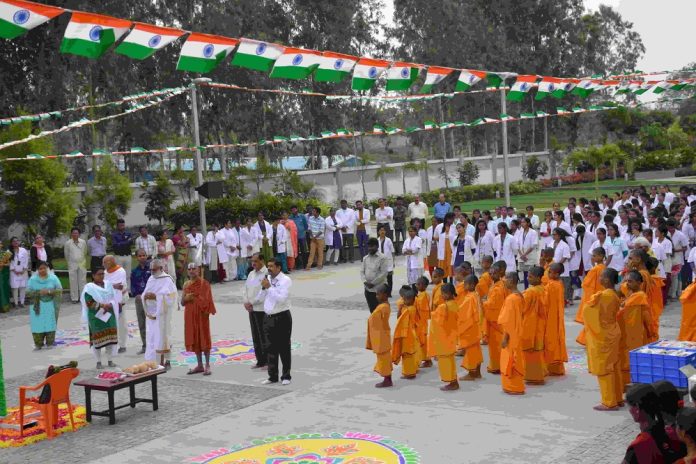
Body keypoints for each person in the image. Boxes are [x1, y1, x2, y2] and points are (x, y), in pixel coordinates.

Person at [584, 267, 623, 410]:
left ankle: (609, 402)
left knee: (604, 367)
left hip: (604, 334)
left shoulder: (604, 295)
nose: (599, 279)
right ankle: (618, 398)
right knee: (613, 366)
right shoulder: (614, 294)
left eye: (601, 277)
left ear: (606, 279)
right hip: (613, 331)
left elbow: (588, 310)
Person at [623, 384, 680, 463]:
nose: (628, 410)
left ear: (637, 408)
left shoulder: (638, 445)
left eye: (628, 406)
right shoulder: (674, 433)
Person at [258, 258, 293, 385]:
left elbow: (282, 299)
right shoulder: (267, 279)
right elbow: (260, 298)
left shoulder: (285, 280)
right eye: (268, 266)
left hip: (282, 317)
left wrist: (269, 288)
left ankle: (286, 376)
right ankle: (272, 376)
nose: (269, 268)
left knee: (284, 347)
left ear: (278, 268)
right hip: (268, 317)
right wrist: (263, 288)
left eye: (272, 266)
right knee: (270, 348)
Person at [619, 271, 656, 386]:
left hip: (638, 334)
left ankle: (636, 383)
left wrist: (652, 332)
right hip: (627, 332)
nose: (627, 284)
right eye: (627, 281)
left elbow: (647, 318)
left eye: (630, 281)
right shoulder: (631, 294)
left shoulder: (640, 297)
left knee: (634, 359)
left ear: (639, 283)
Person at [142, 259, 178, 370]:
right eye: (151, 270)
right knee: (152, 337)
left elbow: (172, 297)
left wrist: (156, 297)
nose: (152, 272)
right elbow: (145, 293)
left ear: (161, 269)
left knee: (165, 337)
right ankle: (153, 361)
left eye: (154, 269)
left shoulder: (167, 280)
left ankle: (167, 361)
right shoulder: (151, 279)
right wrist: (145, 296)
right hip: (152, 315)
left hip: (164, 316)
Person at [182, 263, 217, 376]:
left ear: (198, 270)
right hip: (190, 315)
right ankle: (199, 365)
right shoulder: (186, 284)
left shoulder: (204, 284)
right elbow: (182, 302)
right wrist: (186, 298)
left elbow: (208, 300)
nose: (192, 271)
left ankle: (207, 365)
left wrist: (198, 298)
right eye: (189, 269)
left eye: (194, 269)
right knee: (195, 338)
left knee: (204, 337)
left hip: (202, 315)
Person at [81, 267, 119, 369]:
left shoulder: (108, 285)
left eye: (103, 274)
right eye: (99, 274)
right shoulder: (89, 287)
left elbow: (113, 298)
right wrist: (102, 306)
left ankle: (110, 360)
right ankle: (98, 362)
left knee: (110, 339)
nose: (101, 276)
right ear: (93, 275)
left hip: (109, 315)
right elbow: (89, 302)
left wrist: (110, 305)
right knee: (97, 340)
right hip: (96, 316)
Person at [429, 282, 460, 391]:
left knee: (445, 361)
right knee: (450, 360)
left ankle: (452, 382)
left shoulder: (443, 306)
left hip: (444, 337)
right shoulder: (455, 304)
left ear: (448, 294)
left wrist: (433, 313)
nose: (442, 295)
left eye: (443, 293)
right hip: (452, 335)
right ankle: (454, 380)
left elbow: (438, 321)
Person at [499, 272, 526, 395]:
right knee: (515, 357)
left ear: (512, 281)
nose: (504, 281)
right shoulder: (519, 296)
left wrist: (505, 338)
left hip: (511, 334)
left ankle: (513, 387)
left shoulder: (511, 299)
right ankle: (515, 386)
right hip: (518, 332)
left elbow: (508, 321)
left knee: (511, 359)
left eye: (506, 279)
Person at [26, 261, 61, 350]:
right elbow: (27, 292)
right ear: (37, 270)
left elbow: (60, 290)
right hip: (37, 306)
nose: (42, 270)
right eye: (40, 269)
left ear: (47, 268)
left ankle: (50, 342)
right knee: (38, 324)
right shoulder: (33, 279)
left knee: (50, 322)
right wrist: (38, 292)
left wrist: (49, 292)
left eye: (44, 268)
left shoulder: (53, 278)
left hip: (50, 305)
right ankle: (38, 344)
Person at [575, 247, 607, 346]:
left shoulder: (596, 269)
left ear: (601, 256)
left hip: (593, 297)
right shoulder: (604, 268)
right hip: (601, 296)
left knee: (591, 321)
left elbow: (585, 284)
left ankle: (588, 340)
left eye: (594, 256)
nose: (592, 258)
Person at [522, 266, 547, 385]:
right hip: (540, 324)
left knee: (530, 350)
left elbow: (523, 307)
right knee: (538, 348)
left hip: (530, 324)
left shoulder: (531, 292)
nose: (528, 278)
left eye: (530, 276)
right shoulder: (542, 289)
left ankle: (535, 377)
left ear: (538, 278)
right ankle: (541, 371)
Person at [243, 253, 268, 369]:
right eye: (252, 261)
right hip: (251, 309)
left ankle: (268, 361)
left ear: (262, 261)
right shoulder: (251, 274)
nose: (253, 263)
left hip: (262, 309)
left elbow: (264, 292)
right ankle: (260, 360)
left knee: (264, 335)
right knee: (256, 335)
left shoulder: (266, 273)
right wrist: (246, 301)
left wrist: (252, 303)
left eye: (256, 261)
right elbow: (246, 289)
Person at [484, 261, 509, 374]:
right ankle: (496, 365)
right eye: (491, 273)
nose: (491, 276)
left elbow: (494, 304)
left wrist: (482, 303)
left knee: (496, 345)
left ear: (500, 272)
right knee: (494, 345)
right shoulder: (500, 284)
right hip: (497, 318)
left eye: (494, 273)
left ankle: (497, 366)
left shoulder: (499, 287)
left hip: (496, 318)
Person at [367, 284, 393, 388]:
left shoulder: (383, 307)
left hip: (381, 335)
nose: (376, 296)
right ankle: (387, 377)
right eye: (376, 294)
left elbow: (376, 320)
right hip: (382, 334)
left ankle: (387, 379)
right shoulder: (384, 306)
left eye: (378, 294)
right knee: (383, 357)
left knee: (384, 358)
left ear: (385, 295)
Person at [458, 275, 484, 381]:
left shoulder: (470, 298)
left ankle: (472, 373)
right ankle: (477, 372)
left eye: (466, 284)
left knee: (471, 350)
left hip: (470, 327)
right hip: (476, 326)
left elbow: (464, 313)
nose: (464, 286)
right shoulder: (476, 295)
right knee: (476, 349)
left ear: (472, 285)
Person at [545, 263, 568, 376]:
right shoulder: (559, 283)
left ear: (557, 273)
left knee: (550, 341)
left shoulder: (551, 285)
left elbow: (545, 302)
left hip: (550, 317)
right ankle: (557, 368)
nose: (548, 274)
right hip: (557, 316)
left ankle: (551, 366)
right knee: (556, 340)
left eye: (551, 272)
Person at [392, 286, 419, 379]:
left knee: (407, 354)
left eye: (405, 299)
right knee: (411, 353)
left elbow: (399, 319)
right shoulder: (413, 308)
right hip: (412, 332)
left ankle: (409, 373)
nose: (403, 301)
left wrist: (400, 308)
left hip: (407, 334)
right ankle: (413, 370)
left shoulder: (407, 310)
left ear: (410, 300)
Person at [103, 255, 129, 354]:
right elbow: (105, 285)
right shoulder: (105, 272)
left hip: (119, 300)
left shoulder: (120, 271)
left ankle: (122, 345)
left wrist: (111, 286)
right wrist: (112, 286)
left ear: (111, 262)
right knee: (109, 324)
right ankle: (110, 344)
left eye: (105, 262)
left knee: (121, 323)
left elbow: (120, 286)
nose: (103, 265)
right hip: (108, 301)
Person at [130, 249, 151, 355]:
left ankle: (154, 344)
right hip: (139, 300)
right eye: (140, 255)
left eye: (144, 255)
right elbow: (132, 286)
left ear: (147, 256)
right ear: (137, 257)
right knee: (142, 322)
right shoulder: (134, 271)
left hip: (151, 300)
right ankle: (145, 345)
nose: (142, 257)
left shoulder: (152, 269)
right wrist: (136, 294)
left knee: (152, 322)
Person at [361, 238, 389, 313]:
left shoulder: (383, 258)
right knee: (372, 311)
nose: (370, 248)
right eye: (369, 246)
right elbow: (362, 272)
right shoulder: (365, 258)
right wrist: (365, 282)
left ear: (377, 246)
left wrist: (373, 283)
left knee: (380, 311)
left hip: (379, 290)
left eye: (372, 246)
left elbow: (384, 273)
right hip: (368, 289)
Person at [64, 227, 88, 304]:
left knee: (82, 281)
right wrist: (70, 262)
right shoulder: (68, 243)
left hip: (81, 263)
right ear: (71, 234)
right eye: (73, 233)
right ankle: (74, 298)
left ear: (79, 234)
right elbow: (66, 254)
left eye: (76, 233)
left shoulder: (83, 242)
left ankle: (83, 297)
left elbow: (85, 252)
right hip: (72, 264)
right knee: (73, 281)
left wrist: (82, 260)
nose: (75, 234)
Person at [414, 276, 432, 368]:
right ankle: (424, 358)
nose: (416, 285)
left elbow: (419, 308)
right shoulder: (421, 294)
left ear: (424, 286)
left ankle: (427, 359)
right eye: (417, 283)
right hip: (421, 321)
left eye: (419, 283)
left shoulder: (423, 295)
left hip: (421, 322)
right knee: (421, 341)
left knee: (422, 341)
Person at [517, 217, 539, 288]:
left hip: (529, 255)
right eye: (521, 222)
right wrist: (521, 254)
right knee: (524, 273)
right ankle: (526, 288)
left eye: (524, 222)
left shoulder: (533, 232)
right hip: (522, 255)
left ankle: (532, 289)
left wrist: (525, 254)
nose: (522, 224)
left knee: (530, 274)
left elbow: (533, 245)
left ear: (528, 223)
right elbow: (517, 243)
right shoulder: (520, 231)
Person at [112, 219, 134, 287]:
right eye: (120, 225)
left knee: (128, 274)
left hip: (127, 256)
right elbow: (116, 245)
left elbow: (131, 243)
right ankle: (121, 291)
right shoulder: (114, 235)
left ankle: (128, 290)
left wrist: (121, 243)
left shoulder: (128, 233)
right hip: (118, 256)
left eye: (123, 225)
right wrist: (126, 242)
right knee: (119, 274)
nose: (122, 226)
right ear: (117, 226)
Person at [435, 213, 456, 281]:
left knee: (450, 265)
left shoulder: (454, 227)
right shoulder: (439, 226)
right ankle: (444, 282)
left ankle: (451, 282)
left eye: (453, 219)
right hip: (442, 250)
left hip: (451, 250)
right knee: (443, 266)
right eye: (451, 219)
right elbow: (435, 236)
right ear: (447, 219)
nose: (453, 220)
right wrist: (442, 241)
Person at [9, 237, 29, 308]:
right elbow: (9, 263)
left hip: (23, 271)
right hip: (14, 272)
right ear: (11, 243)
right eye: (14, 241)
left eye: (17, 241)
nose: (16, 242)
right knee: (15, 288)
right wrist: (14, 270)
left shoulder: (23, 250)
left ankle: (22, 302)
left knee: (22, 287)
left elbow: (26, 260)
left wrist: (24, 269)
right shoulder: (9, 252)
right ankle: (16, 303)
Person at [377, 226, 395, 297]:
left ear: (385, 232)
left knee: (389, 278)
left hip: (388, 261)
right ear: (378, 232)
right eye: (381, 230)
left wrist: (393, 261)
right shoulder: (377, 240)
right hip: (380, 262)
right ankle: (383, 292)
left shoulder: (388, 240)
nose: (382, 232)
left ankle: (389, 293)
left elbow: (392, 251)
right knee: (381, 278)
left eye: (383, 230)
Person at [0, 248, 10, 313]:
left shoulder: (5, 253)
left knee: (3, 290)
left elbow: (8, 264)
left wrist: (2, 264)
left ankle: (4, 306)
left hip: (3, 275)